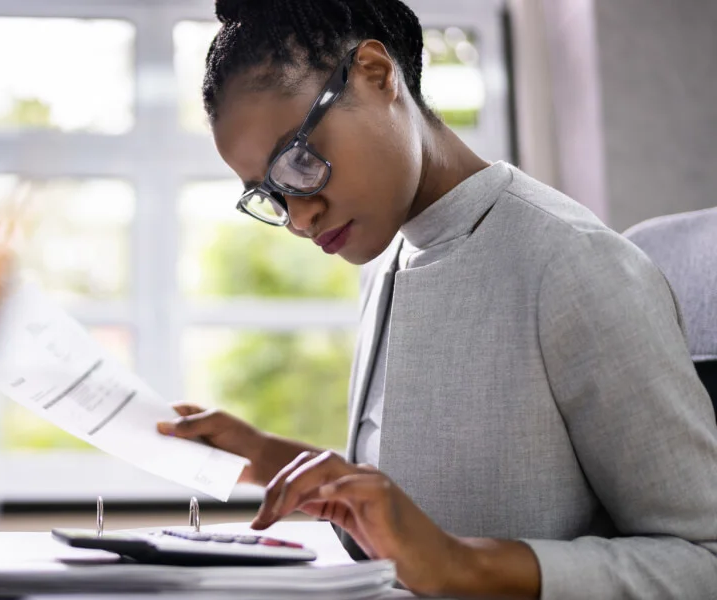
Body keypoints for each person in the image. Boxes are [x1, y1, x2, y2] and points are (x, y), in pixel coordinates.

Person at [156, 1, 717, 597]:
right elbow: (421, 500)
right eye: (269, 195)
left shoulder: (573, 264)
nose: (297, 218)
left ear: (375, 74)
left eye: (297, 162)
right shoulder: (386, 258)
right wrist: (268, 455)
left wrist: (464, 566)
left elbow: (703, 559)